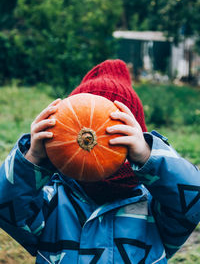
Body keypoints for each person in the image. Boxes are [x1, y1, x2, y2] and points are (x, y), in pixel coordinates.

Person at [0, 59, 200, 264]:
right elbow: (6, 206)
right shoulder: (53, 199)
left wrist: (149, 156)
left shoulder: (152, 205)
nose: (94, 135)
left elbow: (194, 201)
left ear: (135, 137)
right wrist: (32, 159)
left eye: (113, 131)